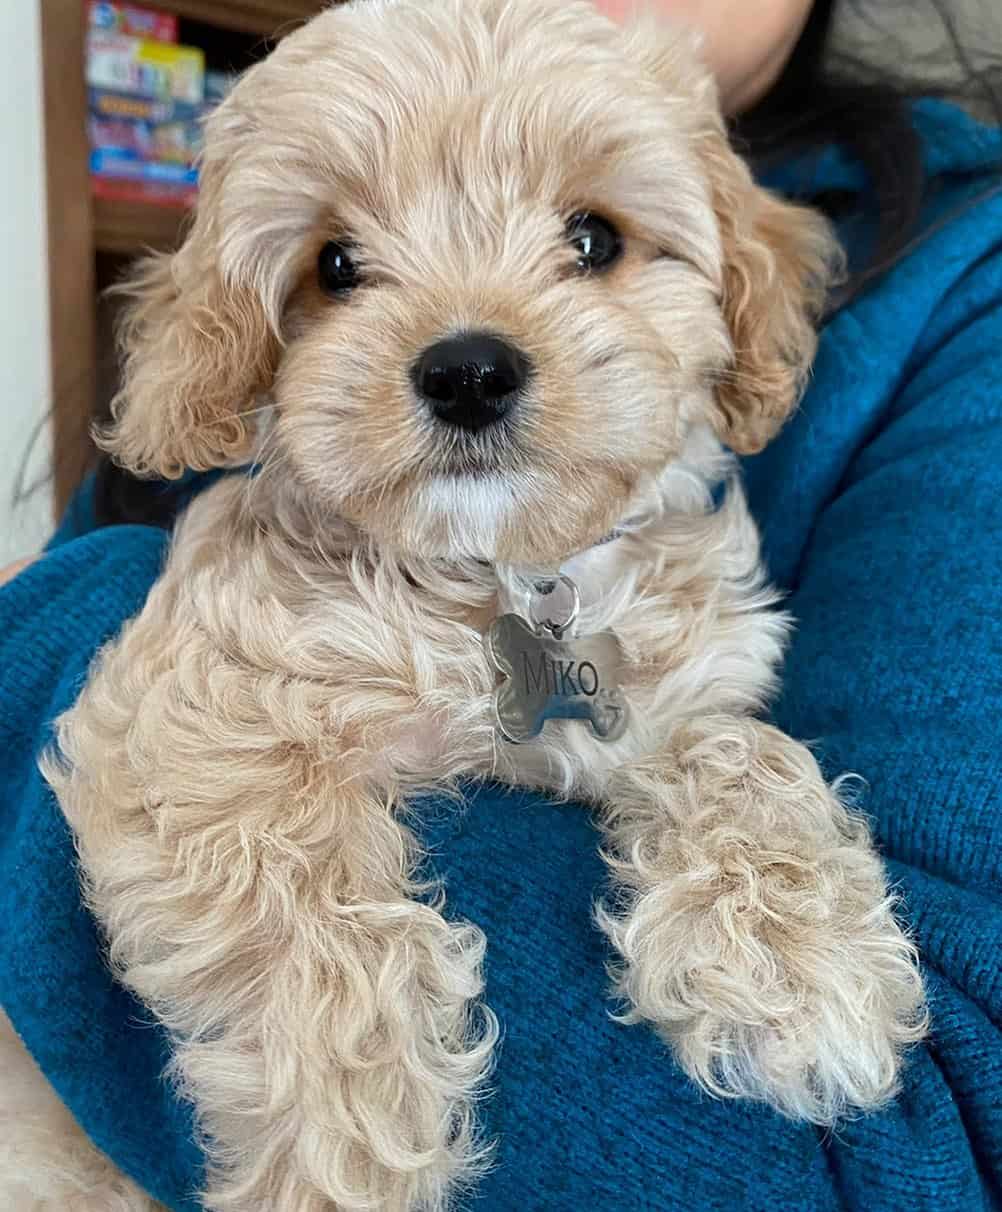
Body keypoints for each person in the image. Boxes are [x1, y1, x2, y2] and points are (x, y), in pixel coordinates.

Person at [2, 1, 1000, 1209]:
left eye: (590, 240)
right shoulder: (266, 586)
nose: (467, 349)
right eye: (339, 267)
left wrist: (62, 615)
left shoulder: (965, 283)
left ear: (741, 292)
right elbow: (171, 777)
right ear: (239, 330)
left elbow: (916, 1143)